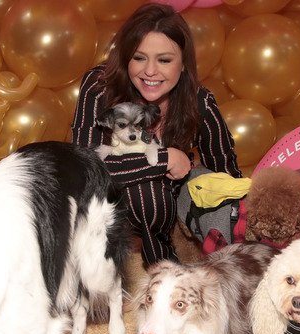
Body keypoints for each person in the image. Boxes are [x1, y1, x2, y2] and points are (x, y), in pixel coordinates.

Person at [71, 3, 241, 265]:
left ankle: (227, 272)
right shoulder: (100, 86)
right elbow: (84, 168)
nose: (150, 71)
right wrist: (165, 159)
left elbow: (227, 174)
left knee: (223, 202)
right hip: (107, 200)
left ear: (183, 64)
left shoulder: (199, 102)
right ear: (126, 57)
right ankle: (162, 273)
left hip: (173, 205)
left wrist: (234, 215)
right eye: (139, 58)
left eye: (164, 60)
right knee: (148, 193)